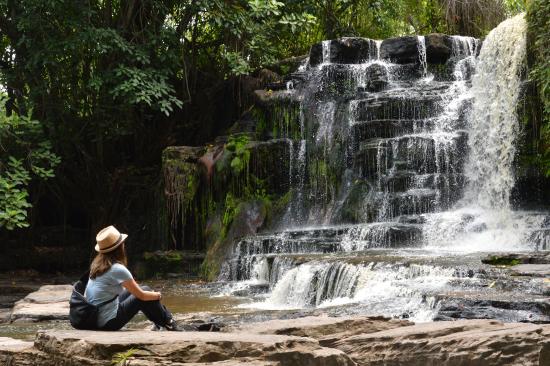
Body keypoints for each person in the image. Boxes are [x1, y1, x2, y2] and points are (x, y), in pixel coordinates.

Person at [84, 225, 181, 331]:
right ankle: (169, 321)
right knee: (145, 291)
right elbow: (142, 296)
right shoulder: (117, 269)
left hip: (95, 317)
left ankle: (162, 323)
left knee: (142, 289)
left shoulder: (97, 266)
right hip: (108, 323)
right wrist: (158, 295)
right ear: (119, 247)